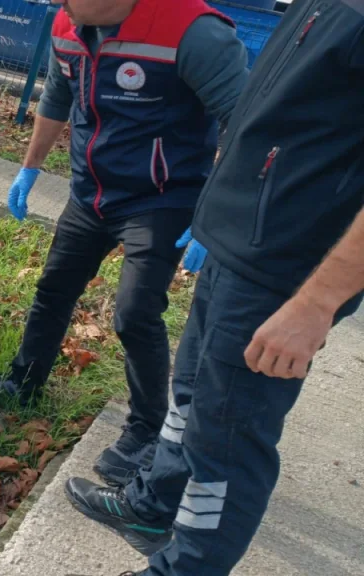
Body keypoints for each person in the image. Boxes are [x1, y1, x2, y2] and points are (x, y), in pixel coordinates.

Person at [62, 0, 364, 573]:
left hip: (283, 272)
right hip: (234, 239)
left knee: (228, 443)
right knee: (190, 399)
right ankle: (152, 506)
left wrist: (317, 303)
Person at [0, 0, 250, 487]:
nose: (60, 4)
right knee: (53, 289)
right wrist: (29, 168)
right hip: (92, 193)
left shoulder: (192, 31)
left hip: (162, 199)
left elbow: (245, 124)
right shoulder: (67, 24)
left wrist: (213, 211)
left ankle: (147, 430)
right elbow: (56, 97)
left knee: (135, 313)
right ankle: (22, 384)